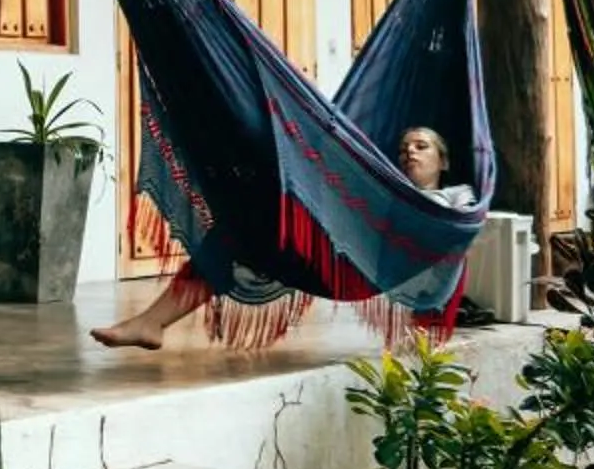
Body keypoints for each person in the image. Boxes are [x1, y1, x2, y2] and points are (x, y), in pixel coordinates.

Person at [90, 123, 474, 350]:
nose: (409, 152)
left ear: (443, 161)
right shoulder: (384, 189)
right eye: (404, 148)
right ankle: (152, 322)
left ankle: (150, 323)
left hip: (378, 264)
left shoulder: (457, 199)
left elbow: (458, 227)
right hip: (340, 256)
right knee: (233, 236)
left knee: (245, 231)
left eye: (421, 147)